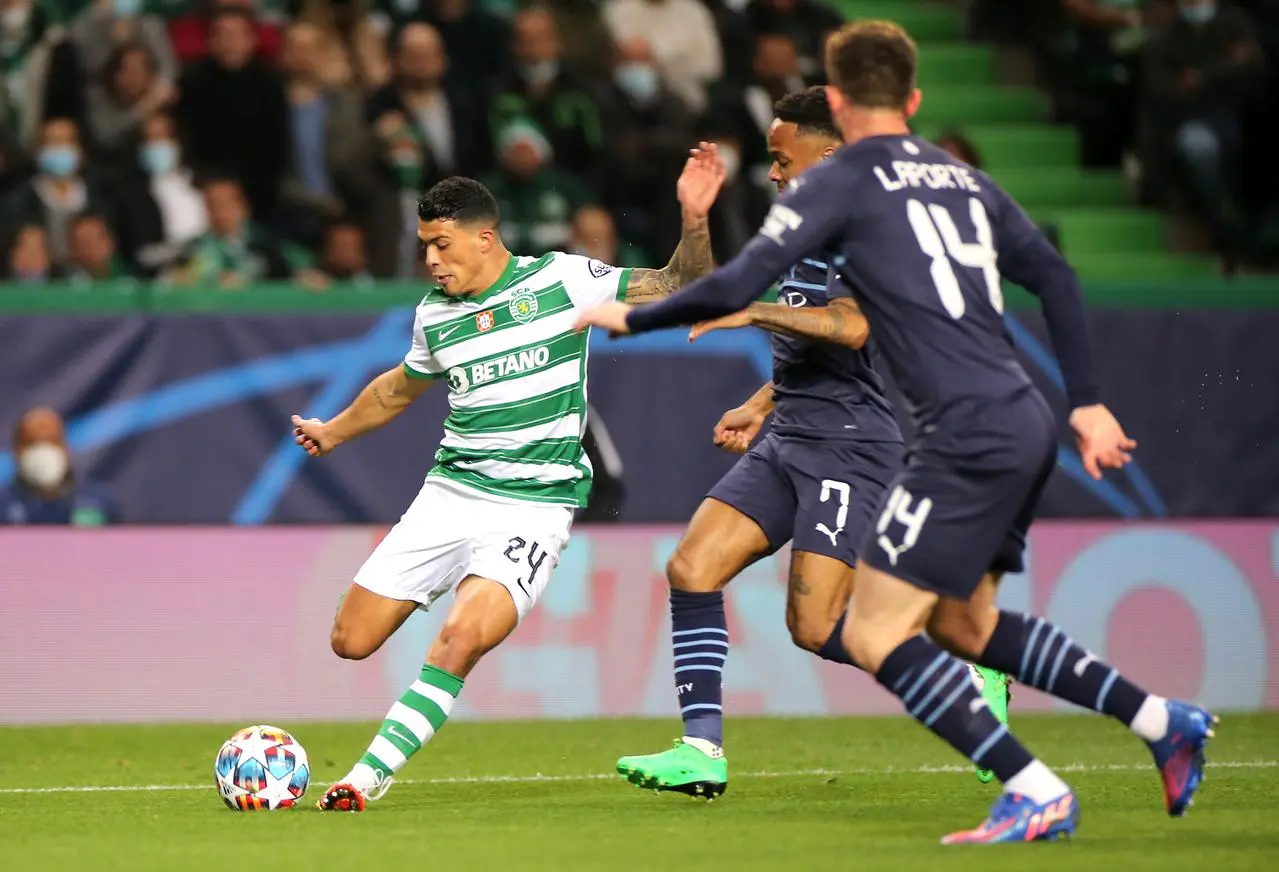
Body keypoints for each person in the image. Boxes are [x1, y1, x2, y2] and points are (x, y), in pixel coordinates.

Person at [575, 20, 1214, 844]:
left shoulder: (845, 192)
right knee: (932, 618)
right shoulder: (951, 179)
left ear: (840, 110)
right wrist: (1085, 401)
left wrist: (634, 317)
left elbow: (813, 314)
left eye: (780, 159)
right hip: (992, 418)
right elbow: (1051, 272)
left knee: (865, 628)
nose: (774, 175)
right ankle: (1159, 723)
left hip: (917, 435)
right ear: (910, 99)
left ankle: (1036, 783)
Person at [613, 86, 1013, 798]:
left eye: (781, 157)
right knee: (691, 567)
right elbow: (717, 293)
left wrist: (752, 313)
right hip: (790, 430)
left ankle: (962, 671)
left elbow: (851, 327)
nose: (772, 173)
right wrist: (695, 219)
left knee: (815, 623)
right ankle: (701, 750)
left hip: (848, 446)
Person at [294, 156, 725, 812]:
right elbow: (394, 391)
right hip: (450, 495)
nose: (432, 261)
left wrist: (694, 219)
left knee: (461, 638)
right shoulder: (434, 316)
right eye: (424, 249)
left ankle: (364, 777)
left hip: (532, 511)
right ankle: (440, 590)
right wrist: (332, 431)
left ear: (484, 238)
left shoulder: (563, 279)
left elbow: (679, 280)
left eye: (441, 245)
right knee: (350, 641)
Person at [0, 407, 118, 526]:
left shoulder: (99, 503)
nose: (43, 453)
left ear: (65, 448)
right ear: (16, 451)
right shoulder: (3, 506)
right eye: (32, 444)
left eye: (51, 442)